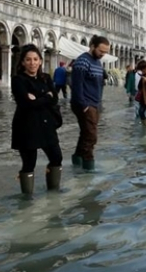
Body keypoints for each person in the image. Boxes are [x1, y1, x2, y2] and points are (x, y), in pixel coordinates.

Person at [11, 44, 62, 195]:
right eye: (28, 59)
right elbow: (26, 104)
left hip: (46, 125)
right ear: (22, 62)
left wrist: (38, 99)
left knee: (56, 157)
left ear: (40, 61)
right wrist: (46, 96)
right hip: (26, 126)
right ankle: (27, 198)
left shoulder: (46, 78)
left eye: (35, 59)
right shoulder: (18, 80)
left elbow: (55, 99)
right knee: (29, 163)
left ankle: (53, 192)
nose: (32, 62)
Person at [70, 35, 109, 171]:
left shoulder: (97, 62)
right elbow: (76, 85)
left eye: (105, 52)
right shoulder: (82, 62)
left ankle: (77, 159)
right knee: (91, 136)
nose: (102, 55)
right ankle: (88, 166)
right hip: (86, 104)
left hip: (95, 103)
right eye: (101, 51)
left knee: (86, 133)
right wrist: (83, 105)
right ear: (92, 46)